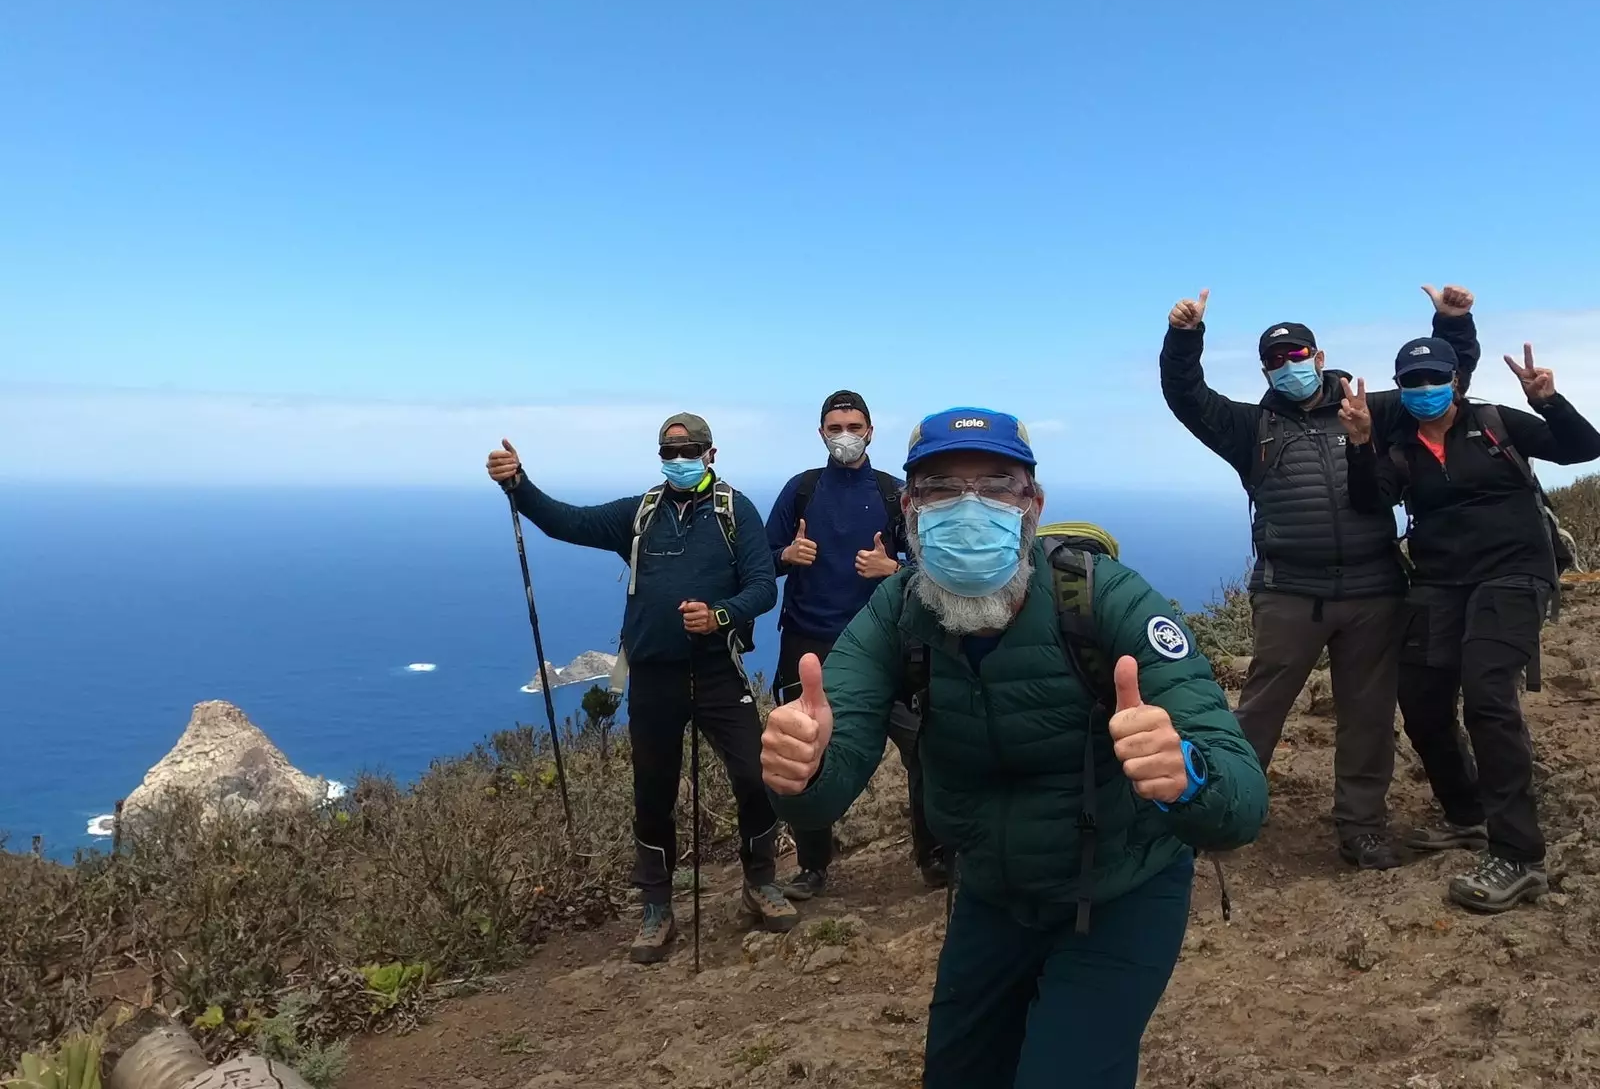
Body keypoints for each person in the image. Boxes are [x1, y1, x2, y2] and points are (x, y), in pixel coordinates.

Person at [760, 407, 1267, 1089]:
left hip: (1121, 890)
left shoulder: (1103, 598)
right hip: (992, 895)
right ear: (908, 508)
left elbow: (1242, 800)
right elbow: (826, 779)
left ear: (1033, 505)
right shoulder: (896, 612)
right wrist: (801, 768)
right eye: (940, 489)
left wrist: (1188, 775)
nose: (969, 507)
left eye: (996, 484)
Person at [1159, 284, 1480, 869]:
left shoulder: (1372, 410)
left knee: (1369, 715)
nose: (1289, 367)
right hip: (1288, 592)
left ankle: (1363, 828)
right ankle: (1223, 811)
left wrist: (1453, 324)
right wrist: (1185, 337)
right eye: (1276, 361)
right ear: (1264, 370)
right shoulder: (1248, 426)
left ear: (1320, 357)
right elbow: (1186, 397)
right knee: (1259, 709)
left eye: (1298, 355)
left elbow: (1442, 385)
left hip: (1374, 590)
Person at [486, 412, 796, 964]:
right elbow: (566, 522)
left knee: (756, 774)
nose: (679, 458)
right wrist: (519, 485)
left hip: (718, 672)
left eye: (690, 449)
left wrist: (720, 614)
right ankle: (657, 908)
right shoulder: (642, 513)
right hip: (653, 673)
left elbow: (761, 586)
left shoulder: (735, 511)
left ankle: (760, 881)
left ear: (711, 453)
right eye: (670, 450)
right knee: (652, 792)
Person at [1343, 340, 1600, 912]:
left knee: (1488, 697)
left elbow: (1584, 448)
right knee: (1423, 703)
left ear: (1455, 379)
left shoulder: (1496, 423)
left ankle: (1519, 855)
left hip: (1514, 575)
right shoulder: (1401, 446)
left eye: (1434, 377)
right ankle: (1467, 815)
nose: (1423, 390)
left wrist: (1550, 401)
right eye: (1411, 381)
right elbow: (1369, 501)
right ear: (1400, 387)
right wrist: (1362, 444)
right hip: (1437, 583)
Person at [765, 389, 943, 900]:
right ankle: (812, 868)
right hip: (810, 647)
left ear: (870, 431)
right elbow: (760, 559)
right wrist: (787, 555)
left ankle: (934, 856)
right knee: (807, 753)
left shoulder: (893, 495)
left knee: (923, 747)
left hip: (888, 647)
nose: (845, 435)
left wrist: (895, 568)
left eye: (854, 426)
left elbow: (933, 565)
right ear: (821, 433)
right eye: (835, 427)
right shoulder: (801, 490)